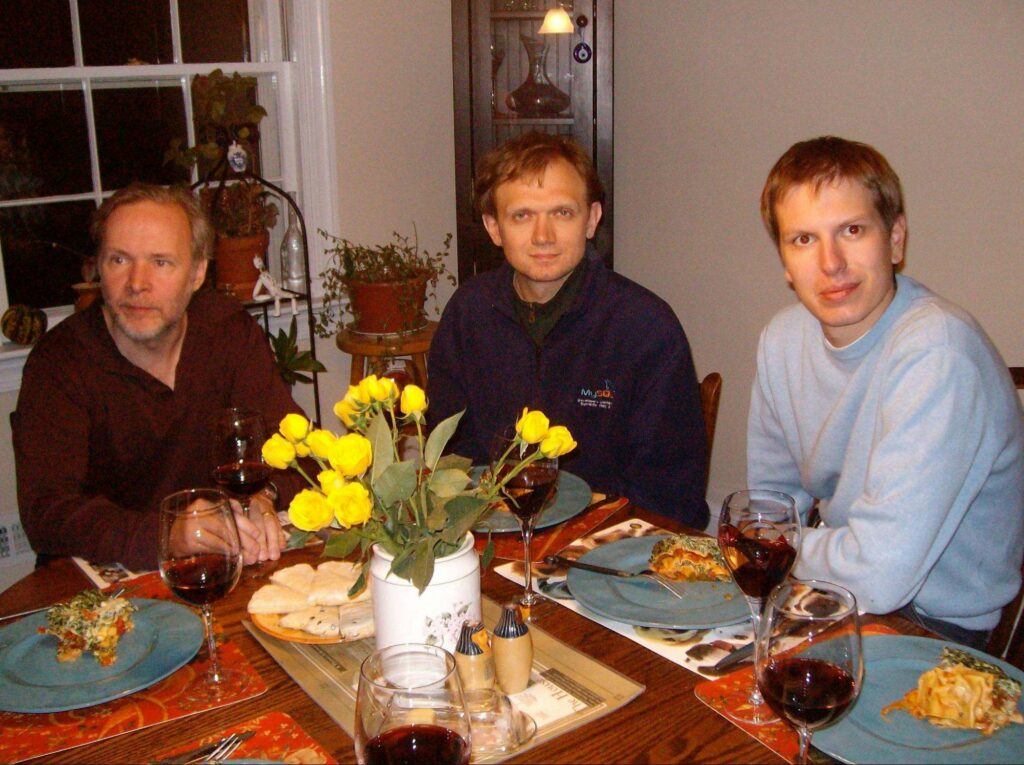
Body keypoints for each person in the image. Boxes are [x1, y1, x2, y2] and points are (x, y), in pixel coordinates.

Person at [749, 136, 1024, 647]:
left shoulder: (939, 351)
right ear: (785, 262)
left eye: (852, 230)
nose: (831, 263)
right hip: (829, 593)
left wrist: (782, 547)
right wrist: (778, 546)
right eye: (803, 239)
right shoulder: (782, 340)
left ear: (895, 240)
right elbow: (768, 508)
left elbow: (880, 575)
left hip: (935, 625)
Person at [13, 183, 306, 571]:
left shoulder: (228, 332)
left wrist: (264, 495)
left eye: (161, 262)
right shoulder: (60, 362)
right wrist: (168, 534)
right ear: (98, 268)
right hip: (102, 585)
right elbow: (47, 513)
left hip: (222, 566)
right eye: (119, 260)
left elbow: (300, 451)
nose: (137, 283)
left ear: (197, 273)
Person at [428, 132, 709, 528]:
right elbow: (451, 462)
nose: (543, 236)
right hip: (494, 536)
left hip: (610, 547)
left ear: (591, 220)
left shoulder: (647, 329)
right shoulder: (467, 314)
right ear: (494, 228)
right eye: (522, 216)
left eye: (562, 213)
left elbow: (670, 496)